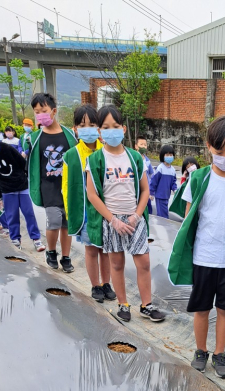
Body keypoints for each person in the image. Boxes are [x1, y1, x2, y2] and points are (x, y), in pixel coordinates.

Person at [168, 115, 225, 379]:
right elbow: (188, 219)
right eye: (219, 152)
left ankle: (220, 353)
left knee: (224, 310)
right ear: (208, 146)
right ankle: (201, 350)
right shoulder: (198, 178)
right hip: (204, 257)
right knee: (201, 308)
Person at [85, 104, 165, 324]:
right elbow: (92, 195)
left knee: (144, 263)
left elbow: (145, 190)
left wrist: (137, 216)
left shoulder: (135, 157)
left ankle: (146, 305)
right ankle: (123, 304)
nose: (111, 131)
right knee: (117, 264)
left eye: (116, 126)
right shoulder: (95, 159)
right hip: (112, 221)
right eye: (106, 127)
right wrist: (113, 221)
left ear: (123, 129)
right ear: (99, 132)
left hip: (134, 219)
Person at [63, 104, 116, 304]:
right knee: (91, 249)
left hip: (106, 211)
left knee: (105, 249)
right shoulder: (71, 155)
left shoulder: (107, 151)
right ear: (75, 128)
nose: (88, 129)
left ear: (99, 128)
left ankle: (106, 283)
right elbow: (66, 186)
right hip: (85, 213)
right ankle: (95, 285)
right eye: (82, 125)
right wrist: (70, 212)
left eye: (92, 124)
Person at [29, 92, 77, 272]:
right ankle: (51, 252)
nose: (40, 115)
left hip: (67, 185)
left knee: (67, 224)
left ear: (54, 111)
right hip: (48, 186)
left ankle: (66, 257)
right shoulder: (35, 138)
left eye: (44, 110)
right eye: (37, 112)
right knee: (55, 220)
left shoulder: (69, 135)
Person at [0, 140, 45, 251]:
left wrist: (28, 180)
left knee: (29, 213)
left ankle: (36, 239)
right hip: (6, 190)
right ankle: (15, 240)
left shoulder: (7, 148)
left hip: (22, 186)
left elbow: (23, 164)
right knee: (12, 215)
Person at [150, 144, 177, 218]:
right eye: (167, 155)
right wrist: (151, 192)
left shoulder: (173, 170)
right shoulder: (160, 168)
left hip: (167, 195)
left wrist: (175, 189)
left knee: (164, 213)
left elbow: (173, 182)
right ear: (163, 156)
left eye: (171, 155)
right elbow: (154, 181)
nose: (169, 156)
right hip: (160, 195)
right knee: (162, 215)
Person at [134, 136, 155, 215]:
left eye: (145, 145)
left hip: (146, 189)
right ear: (136, 146)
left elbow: (151, 175)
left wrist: (151, 191)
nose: (143, 146)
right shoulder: (133, 158)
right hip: (136, 189)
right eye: (141, 144)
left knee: (148, 208)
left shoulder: (147, 160)